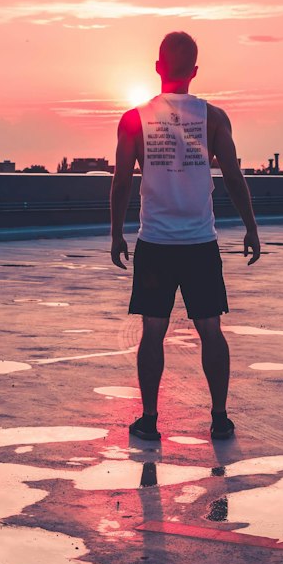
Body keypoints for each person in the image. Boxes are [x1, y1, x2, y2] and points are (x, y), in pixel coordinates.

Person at [110, 31, 260, 442]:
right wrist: (251, 227)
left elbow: (122, 181)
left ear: (158, 68)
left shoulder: (133, 119)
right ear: (194, 72)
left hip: (155, 242)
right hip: (199, 243)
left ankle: (150, 419)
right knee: (210, 330)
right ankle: (220, 418)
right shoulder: (214, 117)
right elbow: (232, 175)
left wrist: (116, 233)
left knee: (153, 332)